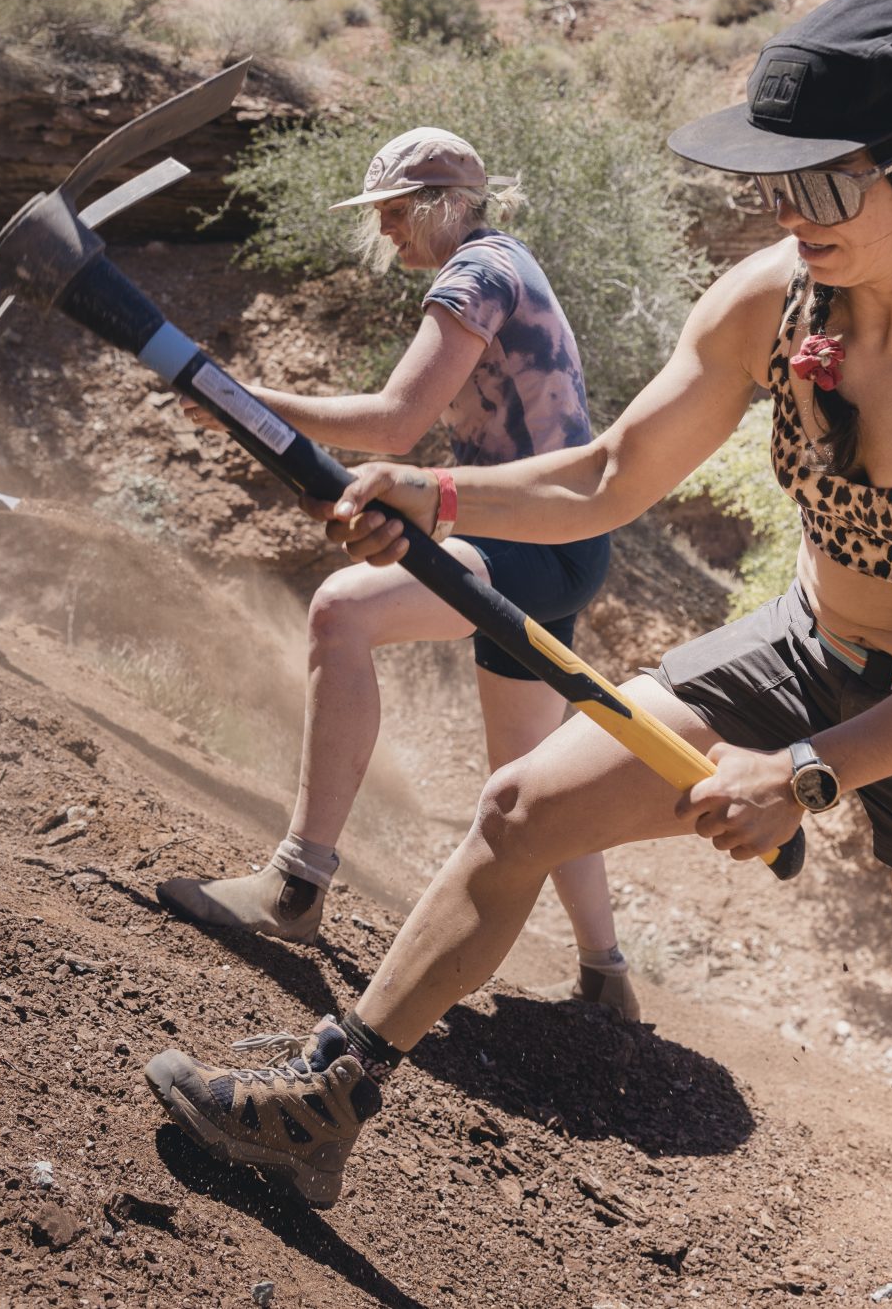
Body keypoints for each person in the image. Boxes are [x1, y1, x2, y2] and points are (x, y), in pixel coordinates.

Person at [145, 0, 892, 1309]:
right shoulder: (777, 300)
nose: (794, 218)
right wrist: (431, 497)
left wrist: (802, 776)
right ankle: (327, 1102)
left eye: (828, 186)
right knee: (518, 808)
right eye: (779, 184)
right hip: (805, 643)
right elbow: (611, 473)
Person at [156, 128, 634, 1017]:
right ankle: (607, 976)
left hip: (527, 537)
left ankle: (295, 886)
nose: (384, 234)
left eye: (390, 214)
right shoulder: (502, 266)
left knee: (342, 610)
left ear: (436, 205)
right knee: (530, 772)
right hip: (562, 538)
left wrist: (244, 399)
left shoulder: (477, 274)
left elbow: (394, 423)